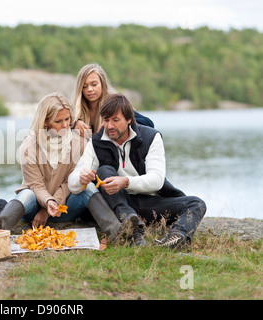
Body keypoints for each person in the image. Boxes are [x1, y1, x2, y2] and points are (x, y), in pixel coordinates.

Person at [68, 93, 206, 248]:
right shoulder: (96, 142)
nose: (109, 126)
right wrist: (81, 177)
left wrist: (126, 182)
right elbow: (72, 184)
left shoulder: (151, 137)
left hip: (151, 203)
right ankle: (135, 233)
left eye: (115, 120)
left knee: (196, 203)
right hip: (119, 205)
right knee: (105, 170)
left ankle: (175, 240)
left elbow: (157, 180)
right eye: (106, 120)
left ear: (129, 119)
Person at [0, 92, 100, 230]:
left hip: (64, 209)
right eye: (58, 121)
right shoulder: (29, 146)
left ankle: (115, 227)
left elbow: (68, 183)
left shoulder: (79, 143)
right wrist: (47, 204)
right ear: (45, 122)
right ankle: (1, 224)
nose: (65, 125)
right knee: (27, 193)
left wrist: (48, 210)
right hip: (34, 210)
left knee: (87, 187)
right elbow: (36, 185)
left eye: (67, 119)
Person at [72, 63, 154, 138]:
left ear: (103, 83)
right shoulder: (74, 109)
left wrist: (115, 124)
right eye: (84, 86)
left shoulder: (115, 104)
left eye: (94, 84)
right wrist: (73, 125)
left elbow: (149, 124)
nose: (89, 89)